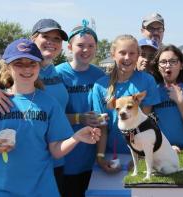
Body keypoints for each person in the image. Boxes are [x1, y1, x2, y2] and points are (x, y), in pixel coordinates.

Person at [0, 38, 100, 197]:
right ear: (8, 67)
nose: (27, 69)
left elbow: (56, 151)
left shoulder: (49, 103)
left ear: (38, 66)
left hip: (42, 189)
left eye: (32, 63)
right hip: (3, 189)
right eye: (19, 63)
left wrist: (76, 137)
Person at [0, 18, 70, 195]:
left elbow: (57, 147)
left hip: (45, 177)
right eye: (19, 64)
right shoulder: (1, 96)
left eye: (57, 39)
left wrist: (79, 133)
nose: (26, 69)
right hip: (4, 184)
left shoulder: (59, 74)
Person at [92, 34, 160, 172]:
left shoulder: (147, 81)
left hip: (139, 153)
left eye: (132, 53)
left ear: (137, 56)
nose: (127, 57)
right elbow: (102, 126)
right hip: (112, 154)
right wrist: (100, 157)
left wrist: (140, 156)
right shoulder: (100, 86)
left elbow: (145, 125)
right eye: (122, 53)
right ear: (113, 54)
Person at [56, 21, 105, 197]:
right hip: (66, 155)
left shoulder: (100, 75)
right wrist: (79, 118)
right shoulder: (57, 74)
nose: (86, 50)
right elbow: (50, 116)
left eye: (91, 46)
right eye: (80, 45)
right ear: (69, 47)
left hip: (92, 156)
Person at [151, 45, 183, 149]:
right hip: (162, 150)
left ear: (181, 65)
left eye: (173, 61)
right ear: (157, 66)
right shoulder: (153, 90)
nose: (167, 65)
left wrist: (180, 101)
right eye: (163, 62)